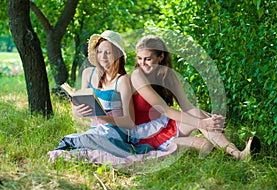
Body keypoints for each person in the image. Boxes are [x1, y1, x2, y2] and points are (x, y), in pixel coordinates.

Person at [129, 35, 260, 160]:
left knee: (196, 113)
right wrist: (203, 122)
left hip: (164, 126)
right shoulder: (137, 76)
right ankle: (234, 153)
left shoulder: (169, 76)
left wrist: (210, 118)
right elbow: (165, 110)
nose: (142, 63)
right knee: (206, 145)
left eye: (147, 59)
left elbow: (187, 107)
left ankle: (239, 154)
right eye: (139, 58)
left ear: (161, 56)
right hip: (145, 135)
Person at [50, 30, 151, 157]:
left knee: (92, 141)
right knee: (70, 140)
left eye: (108, 53)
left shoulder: (122, 80)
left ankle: (94, 149)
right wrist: (76, 110)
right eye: (99, 52)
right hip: (94, 131)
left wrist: (104, 117)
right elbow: (82, 112)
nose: (102, 56)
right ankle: (85, 149)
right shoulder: (88, 73)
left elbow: (129, 122)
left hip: (114, 133)